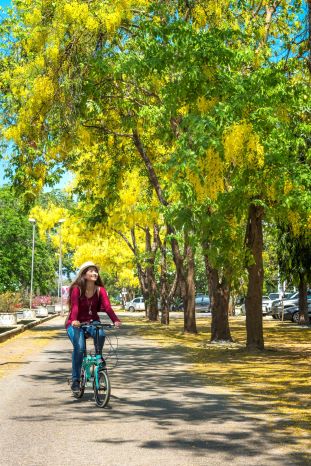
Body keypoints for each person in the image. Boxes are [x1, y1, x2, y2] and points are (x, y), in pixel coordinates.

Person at [66, 261, 121, 392]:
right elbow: (75, 307)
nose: (94, 273)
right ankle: (75, 380)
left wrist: (116, 320)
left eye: (95, 271)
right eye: (91, 271)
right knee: (79, 349)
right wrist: (74, 320)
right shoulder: (76, 289)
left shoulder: (100, 290)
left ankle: (99, 357)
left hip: (92, 322)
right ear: (84, 275)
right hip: (75, 323)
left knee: (101, 333)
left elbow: (107, 307)